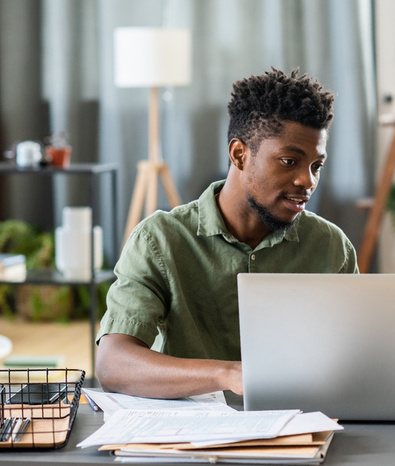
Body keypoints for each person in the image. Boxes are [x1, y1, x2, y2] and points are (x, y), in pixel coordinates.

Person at [96, 69, 358, 399]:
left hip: (301, 425)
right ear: (239, 154)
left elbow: (356, 357)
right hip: (193, 437)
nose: (307, 181)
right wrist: (228, 374)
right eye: (289, 161)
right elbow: (113, 365)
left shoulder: (331, 246)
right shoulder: (160, 240)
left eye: (316, 166)